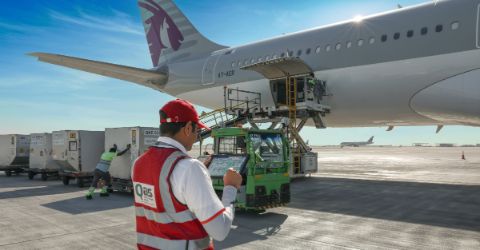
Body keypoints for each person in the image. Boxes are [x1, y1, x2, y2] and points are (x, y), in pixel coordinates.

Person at [131, 99, 242, 250]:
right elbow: (220, 230)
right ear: (188, 128)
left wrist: (195, 173)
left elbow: (164, 194)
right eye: (198, 131)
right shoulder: (190, 168)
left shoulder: (139, 163)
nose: (197, 137)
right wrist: (230, 188)